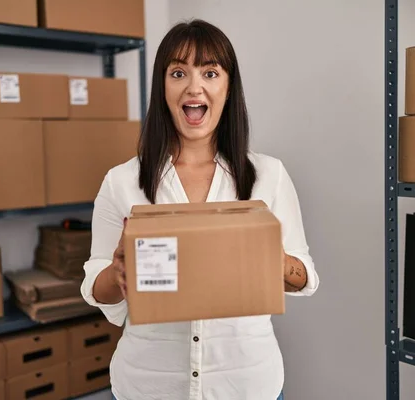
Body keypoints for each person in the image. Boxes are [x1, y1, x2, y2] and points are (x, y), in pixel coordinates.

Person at [80, 19, 319, 400]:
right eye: (178, 73)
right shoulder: (121, 181)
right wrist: (117, 272)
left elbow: (304, 276)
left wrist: (274, 260)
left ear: (227, 87)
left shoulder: (268, 175)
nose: (195, 86)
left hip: (246, 385)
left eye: (210, 72)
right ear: (163, 88)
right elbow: (95, 287)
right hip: (151, 385)